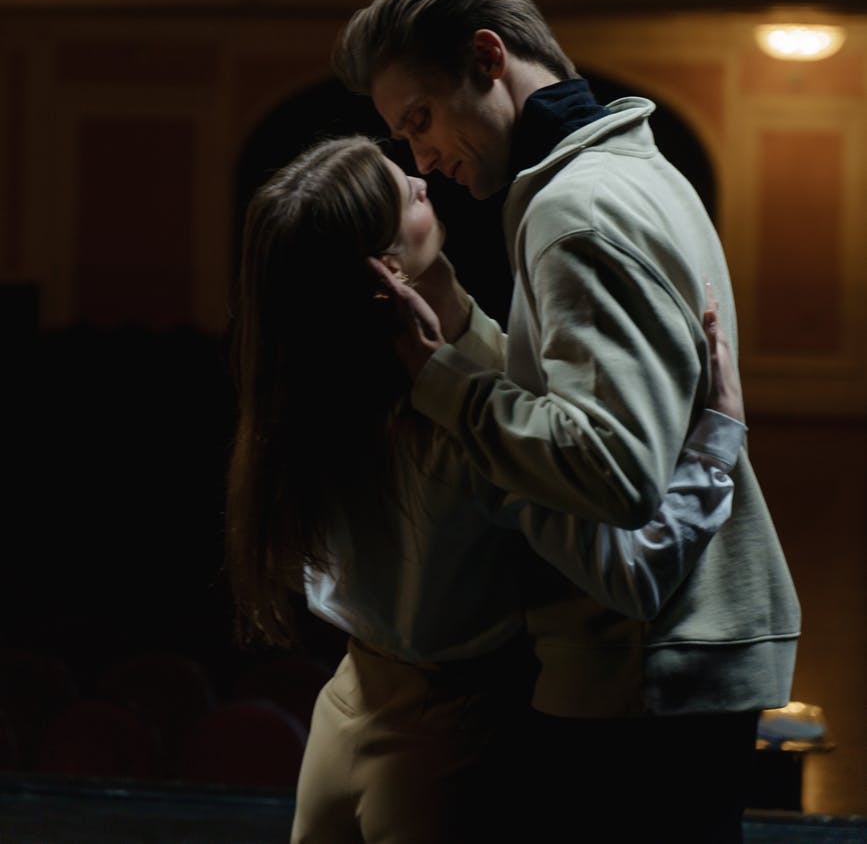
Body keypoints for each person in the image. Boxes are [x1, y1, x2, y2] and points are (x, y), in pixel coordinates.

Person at [334, 0, 801, 844]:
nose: (420, 156)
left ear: (486, 57)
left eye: (419, 120)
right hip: (667, 656)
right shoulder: (633, 170)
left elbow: (611, 471)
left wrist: (439, 383)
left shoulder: (573, 211)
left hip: (644, 676)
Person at [226, 133, 747, 844]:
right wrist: (717, 435)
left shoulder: (313, 397)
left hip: (343, 713)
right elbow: (633, 570)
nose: (418, 177)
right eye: (396, 189)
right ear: (383, 269)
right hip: (446, 746)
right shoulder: (454, 425)